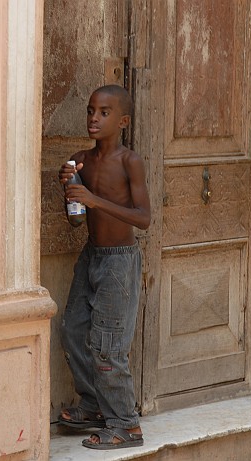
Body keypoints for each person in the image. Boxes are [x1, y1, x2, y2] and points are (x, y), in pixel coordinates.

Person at [57, 84, 151, 450]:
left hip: (119, 261)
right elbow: (76, 223)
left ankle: (126, 424)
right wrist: (70, 191)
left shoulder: (130, 161)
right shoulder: (81, 159)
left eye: (104, 113)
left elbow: (143, 219)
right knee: (72, 330)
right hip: (91, 255)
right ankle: (94, 405)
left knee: (108, 346)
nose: (94, 119)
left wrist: (95, 200)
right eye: (91, 111)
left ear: (123, 121)